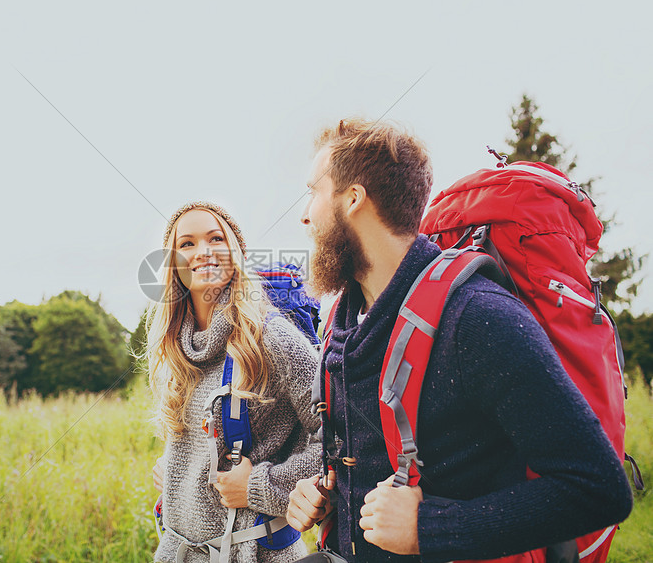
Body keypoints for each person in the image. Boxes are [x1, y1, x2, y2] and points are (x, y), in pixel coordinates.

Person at [285, 119, 633, 562]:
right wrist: (326, 493)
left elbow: (598, 490)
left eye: (313, 191)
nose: (304, 213)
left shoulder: (475, 316)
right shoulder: (343, 320)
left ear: (353, 199)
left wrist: (429, 528)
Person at [147, 201, 322, 563]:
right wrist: (178, 470)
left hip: (255, 553)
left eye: (216, 238)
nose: (204, 252)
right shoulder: (177, 348)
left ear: (236, 252)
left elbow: (341, 437)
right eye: (187, 243)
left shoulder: (271, 339)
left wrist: (260, 485)